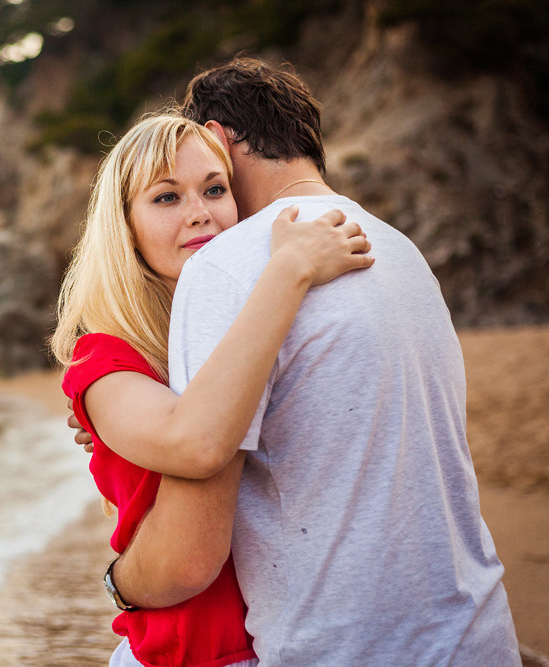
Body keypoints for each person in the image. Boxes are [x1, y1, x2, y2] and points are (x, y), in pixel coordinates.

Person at [103, 57, 522, 665]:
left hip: (348, 647)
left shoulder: (223, 265)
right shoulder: (399, 247)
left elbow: (190, 551)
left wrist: (120, 581)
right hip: (477, 633)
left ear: (213, 141)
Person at [51, 110, 373, 667]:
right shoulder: (103, 357)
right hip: (191, 656)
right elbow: (194, 443)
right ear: (125, 228)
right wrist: (288, 269)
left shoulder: (239, 327)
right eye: (166, 198)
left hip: (290, 640)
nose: (200, 215)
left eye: (215, 189)